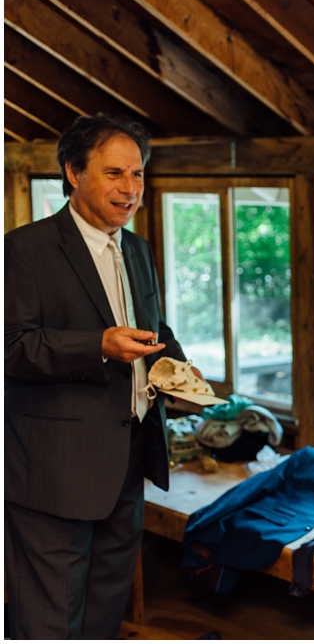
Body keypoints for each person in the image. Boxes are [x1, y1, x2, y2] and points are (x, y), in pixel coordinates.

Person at [5, 114, 193, 638]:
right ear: (73, 172)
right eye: (115, 174)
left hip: (129, 456)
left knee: (106, 605)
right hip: (51, 469)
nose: (130, 189)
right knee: (50, 615)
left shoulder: (137, 249)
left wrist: (179, 370)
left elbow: (155, 329)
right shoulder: (23, 250)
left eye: (137, 175)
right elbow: (10, 347)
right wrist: (98, 346)